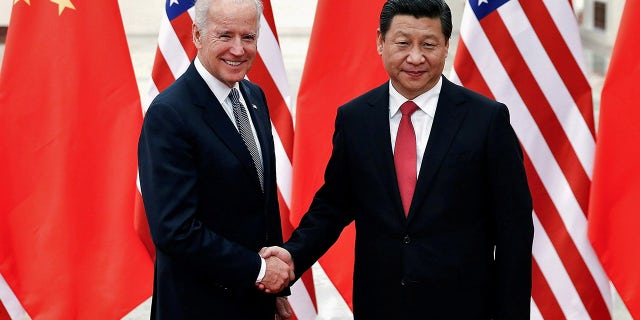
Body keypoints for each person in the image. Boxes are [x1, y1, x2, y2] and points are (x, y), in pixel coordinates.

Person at [261, 0, 534, 318]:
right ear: (380, 41)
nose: (415, 57)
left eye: (429, 44)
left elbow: (514, 231)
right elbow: (333, 207)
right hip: (381, 305)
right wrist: (291, 256)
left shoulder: (486, 120)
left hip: (463, 308)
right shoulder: (356, 118)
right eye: (403, 43)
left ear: (446, 45)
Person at [138, 0, 293, 318]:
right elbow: (174, 229)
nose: (238, 49)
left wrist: (277, 290)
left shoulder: (254, 97)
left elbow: (263, 203)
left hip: (255, 302)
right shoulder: (170, 113)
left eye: (248, 37)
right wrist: (260, 270)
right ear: (197, 34)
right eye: (225, 36)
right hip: (197, 306)